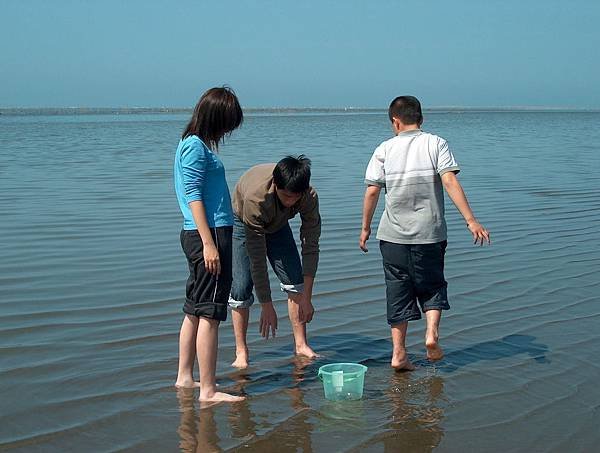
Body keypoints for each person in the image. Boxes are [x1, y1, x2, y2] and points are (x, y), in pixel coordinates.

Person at [359, 96, 491, 371]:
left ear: (395, 121)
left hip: (392, 235)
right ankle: (431, 335)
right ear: (421, 118)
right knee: (432, 285)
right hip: (430, 234)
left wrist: (365, 229)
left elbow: (372, 190)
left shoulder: (384, 148)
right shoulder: (436, 143)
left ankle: (398, 354)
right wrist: (471, 220)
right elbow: (449, 179)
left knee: (397, 290)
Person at [173, 86, 245, 402]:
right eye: (227, 123)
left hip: (205, 233)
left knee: (194, 308)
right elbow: (193, 197)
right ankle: (208, 390)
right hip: (209, 234)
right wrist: (209, 244)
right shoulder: (195, 148)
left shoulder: (193, 144)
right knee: (211, 314)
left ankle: (185, 378)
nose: (228, 131)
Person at [228, 156, 321, 368]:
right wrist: (266, 304)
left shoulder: (308, 196)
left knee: (295, 279)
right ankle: (241, 351)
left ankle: (301, 345)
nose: (291, 201)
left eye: (295, 197)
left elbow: (311, 244)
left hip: (278, 225)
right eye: (286, 196)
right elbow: (257, 259)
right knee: (241, 286)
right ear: (276, 186)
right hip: (245, 221)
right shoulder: (255, 199)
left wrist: (307, 296)